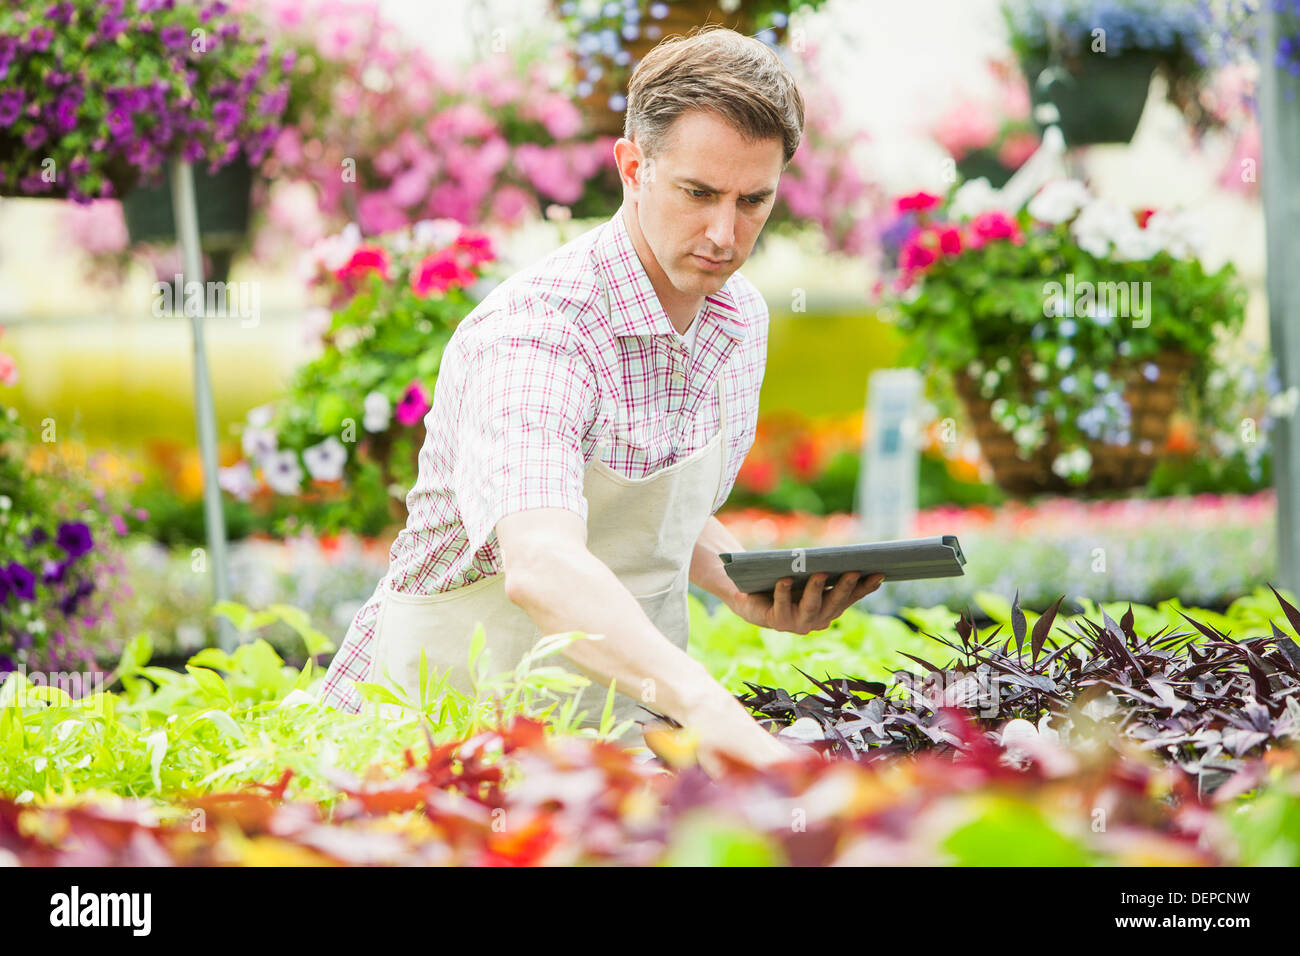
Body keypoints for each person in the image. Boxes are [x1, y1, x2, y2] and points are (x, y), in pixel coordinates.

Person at [318, 25, 884, 776]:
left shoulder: (739, 320)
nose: (724, 232)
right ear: (632, 169)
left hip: (616, 744)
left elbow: (646, 507)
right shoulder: (539, 331)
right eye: (698, 193)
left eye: (754, 200)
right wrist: (705, 703)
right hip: (433, 744)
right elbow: (542, 561)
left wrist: (745, 585)